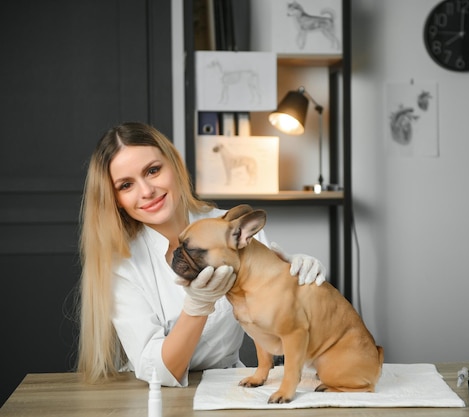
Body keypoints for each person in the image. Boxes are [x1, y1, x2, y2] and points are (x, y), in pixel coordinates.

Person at [77, 121, 326, 387]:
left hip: (228, 384)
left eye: (152, 170)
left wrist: (299, 287)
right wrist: (197, 306)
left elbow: (284, 330)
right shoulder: (122, 266)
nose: (147, 191)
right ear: (115, 198)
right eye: (126, 185)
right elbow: (156, 372)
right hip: (154, 397)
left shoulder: (233, 229)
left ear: (174, 164)